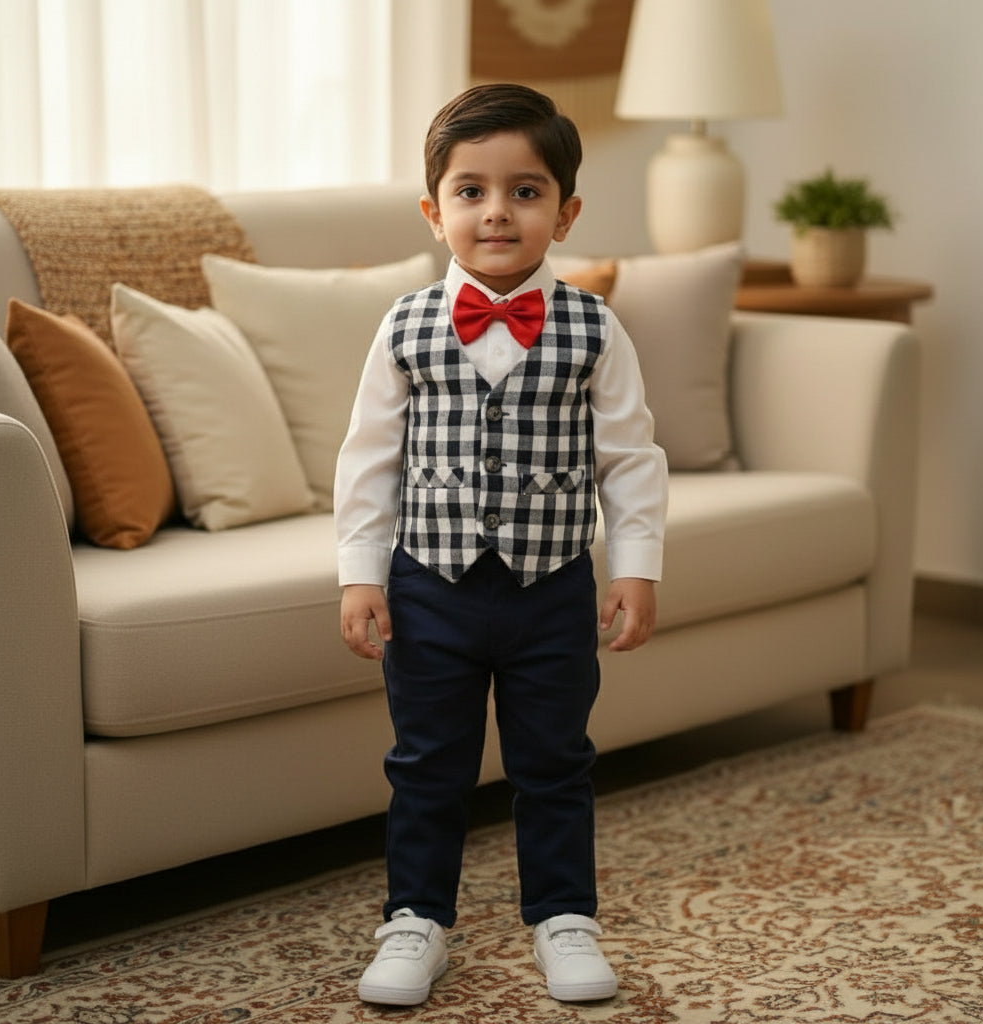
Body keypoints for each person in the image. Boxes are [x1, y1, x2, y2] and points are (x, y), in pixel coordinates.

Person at [334, 83, 668, 1006]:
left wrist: (635, 566)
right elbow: (368, 460)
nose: (496, 211)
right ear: (434, 210)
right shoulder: (402, 326)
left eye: (525, 191)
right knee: (426, 763)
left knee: (555, 760)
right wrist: (360, 575)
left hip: (551, 586)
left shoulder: (595, 328)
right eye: (471, 190)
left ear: (565, 212)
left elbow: (632, 457)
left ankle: (564, 918)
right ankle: (415, 920)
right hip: (429, 587)